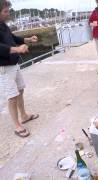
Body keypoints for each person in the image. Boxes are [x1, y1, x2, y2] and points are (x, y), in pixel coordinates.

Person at [0, 0, 39, 138]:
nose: (8, 13)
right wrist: (17, 49)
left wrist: (27, 40)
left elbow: (12, 38)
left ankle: (23, 116)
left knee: (20, 90)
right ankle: (17, 126)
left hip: (14, 64)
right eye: (5, 11)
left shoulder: (3, 25)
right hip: (4, 68)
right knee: (12, 97)